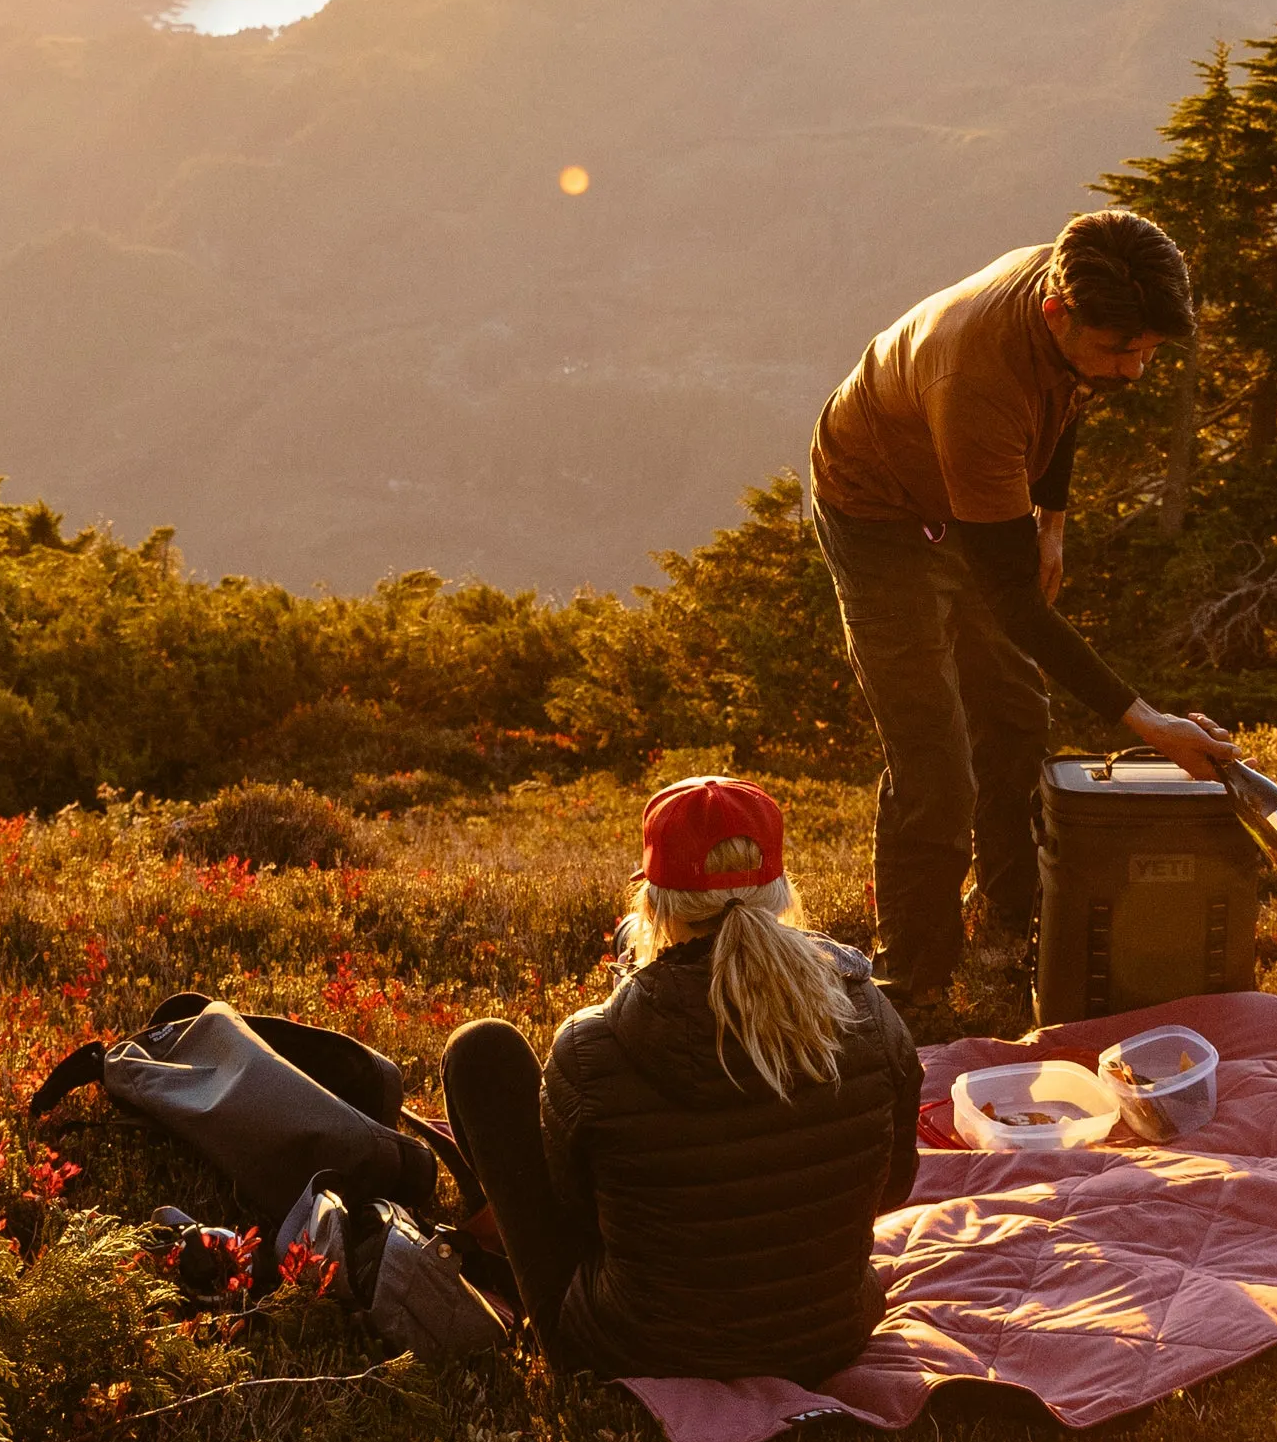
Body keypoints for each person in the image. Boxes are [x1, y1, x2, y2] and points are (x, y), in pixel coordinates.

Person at [809, 208, 1235, 1018]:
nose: (1136, 372)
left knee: (1012, 713)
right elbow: (1012, 604)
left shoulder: (1081, 284)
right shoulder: (976, 376)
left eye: (1148, 351)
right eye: (1122, 351)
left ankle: (1006, 924)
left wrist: (1051, 521)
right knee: (932, 754)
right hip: (880, 511)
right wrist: (1149, 722)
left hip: (978, 500)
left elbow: (1067, 398)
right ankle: (914, 981)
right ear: (1055, 312)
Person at [437, 775, 924, 1381]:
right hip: (829, 1338)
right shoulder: (870, 1015)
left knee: (481, 1049)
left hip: (633, 1353)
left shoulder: (593, 1047)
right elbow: (893, 1188)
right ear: (780, 891)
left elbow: (575, 1211)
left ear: (653, 904)